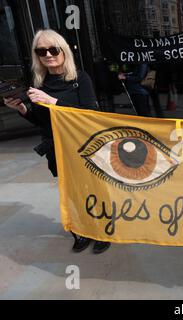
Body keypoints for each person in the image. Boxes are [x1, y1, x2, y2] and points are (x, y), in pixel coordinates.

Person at [3, 29, 111, 254]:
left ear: (63, 50)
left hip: (85, 145)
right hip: (58, 147)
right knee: (70, 191)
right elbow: (42, 121)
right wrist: (22, 109)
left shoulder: (80, 78)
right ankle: (80, 230)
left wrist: (53, 102)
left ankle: (102, 229)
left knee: (94, 189)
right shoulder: (38, 82)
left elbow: (89, 115)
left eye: (53, 49)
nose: (48, 55)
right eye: (42, 51)